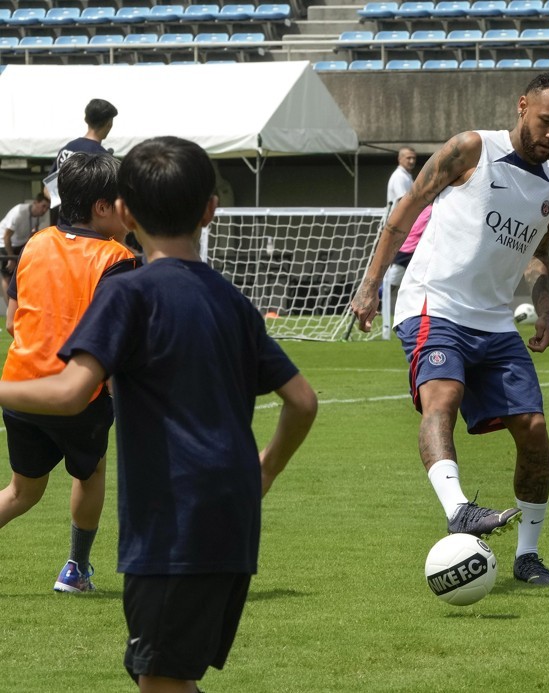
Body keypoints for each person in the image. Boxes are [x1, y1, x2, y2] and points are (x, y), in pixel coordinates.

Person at [0, 136, 318, 691]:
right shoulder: (234, 302)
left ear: (124, 210)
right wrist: (263, 470)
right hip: (233, 521)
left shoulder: (132, 291)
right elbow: (302, 401)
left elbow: (72, 392)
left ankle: (77, 567)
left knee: (160, 680)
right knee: (167, 675)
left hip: (174, 522)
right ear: (211, 209)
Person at [351, 73, 549, 587]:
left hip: (496, 319)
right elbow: (405, 208)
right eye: (546, 121)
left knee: (535, 432)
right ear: (523, 106)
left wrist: (542, 308)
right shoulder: (472, 148)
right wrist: (370, 286)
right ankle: (459, 510)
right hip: (435, 303)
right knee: (443, 397)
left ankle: (527, 556)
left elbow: (539, 254)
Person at [0, 153, 137, 593]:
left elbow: (12, 319)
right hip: (76, 393)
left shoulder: (35, 244)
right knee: (90, 472)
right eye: (124, 201)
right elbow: (115, 339)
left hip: (19, 388)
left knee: (22, 492)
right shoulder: (117, 258)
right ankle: (75, 569)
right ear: (102, 207)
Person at [46, 99, 118, 223]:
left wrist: (67, 206)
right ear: (109, 123)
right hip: (87, 231)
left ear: (86, 120)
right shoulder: (102, 157)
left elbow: (48, 190)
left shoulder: (66, 149)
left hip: (62, 227)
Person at [381, 204, 431, 340]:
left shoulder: (428, 208)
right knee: (390, 284)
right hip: (406, 251)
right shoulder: (427, 209)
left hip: (416, 251)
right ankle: (372, 301)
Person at [0, 194, 51, 303]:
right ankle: (9, 307)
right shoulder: (19, 212)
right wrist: (11, 258)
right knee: (7, 276)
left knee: (24, 273)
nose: (45, 210)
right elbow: (6, 236)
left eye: (47, 207)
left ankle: (22, 303)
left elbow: (33, 233)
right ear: (35, 203)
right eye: (43, 206)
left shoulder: (41, 216)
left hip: (20, 242)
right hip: (4, 242)